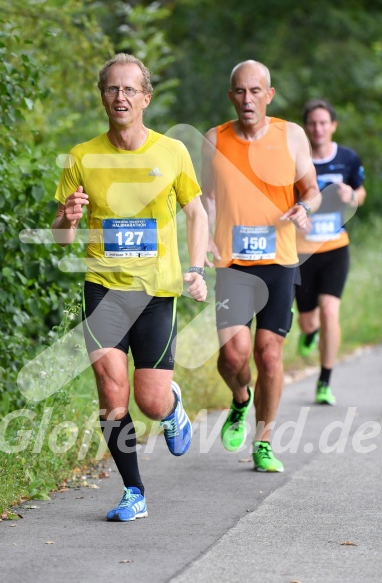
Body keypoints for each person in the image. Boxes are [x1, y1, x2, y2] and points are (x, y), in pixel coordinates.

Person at [51, 53, 208, 521]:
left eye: (129, 89)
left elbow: (196, 213)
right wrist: (67, 218)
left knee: (150, 400)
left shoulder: (172, 152)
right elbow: (63, 237)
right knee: (110, 390)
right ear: (102, 96)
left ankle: (173, 403)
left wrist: (196, 268)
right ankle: (133, 491)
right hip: (103, 286)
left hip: (157, 290)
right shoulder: (82, 157)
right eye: (111, 89)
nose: (119, 97)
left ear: (145, 98)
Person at [201, 60, 321, 472]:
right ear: (231, 96)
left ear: (269, 95)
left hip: (279, 261)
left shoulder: (292, 136)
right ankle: (239, 399)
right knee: (233, 358)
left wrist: (304, 207)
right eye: (240, 91)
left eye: (256, 91)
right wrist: (201, 243)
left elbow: (312, 190)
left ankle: (264, 441)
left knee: (268, 355)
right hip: (232, 263)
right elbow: (206, 200)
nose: (247, 99)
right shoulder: (214, 140)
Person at [295, 99, 366, 405]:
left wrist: (352, 195)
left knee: (329, 309)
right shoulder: (296, 160)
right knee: (308, 321)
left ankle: (324, 381)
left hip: (336, 248)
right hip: (302, 253)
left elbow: (360, 192)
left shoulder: (348, 159)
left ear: (333, 126)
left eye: (324, 123)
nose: (318, 128)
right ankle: (310, 333)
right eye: (312, 123)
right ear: (306, 128)